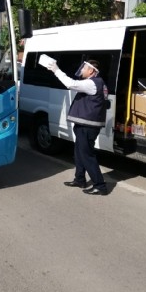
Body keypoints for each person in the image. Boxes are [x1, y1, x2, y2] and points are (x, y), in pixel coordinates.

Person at [47, 59, 109, 196]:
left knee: (87, 155)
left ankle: (100, 185)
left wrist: (56, 70)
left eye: (84, 68)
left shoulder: (92, 83)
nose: (81, 70)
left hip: (88, 126)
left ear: (91, 71)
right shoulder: (98, 82)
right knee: (79, 153)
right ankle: (79, 179)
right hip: (85, 124)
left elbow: (70, 83)